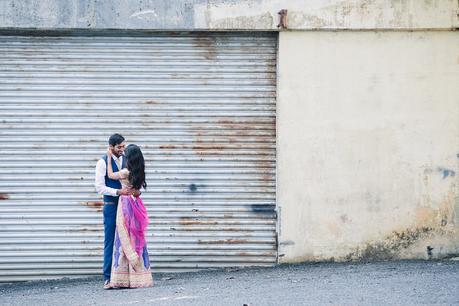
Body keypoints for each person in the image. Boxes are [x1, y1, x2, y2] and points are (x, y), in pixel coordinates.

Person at [107, 144, 153, 289]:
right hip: (137, 204)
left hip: (126, 204)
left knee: (123, 236)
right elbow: (138, 191)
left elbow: (110, 175)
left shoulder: (126, 172)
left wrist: (109, 158)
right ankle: (139, 277)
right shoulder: (139, 172)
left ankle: (122, 278)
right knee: (136, 237)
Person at [95, 133, 131, 289]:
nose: (122, 149)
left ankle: (127, 277)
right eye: (119, 147)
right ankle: (108, 278)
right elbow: (99, 188)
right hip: (111, 205)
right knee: (110, 241)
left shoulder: (126, 160)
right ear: (111, 147)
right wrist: (117, 192)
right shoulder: (102, 162)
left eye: (124, 146)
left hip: (126, 206)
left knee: (126, 241)